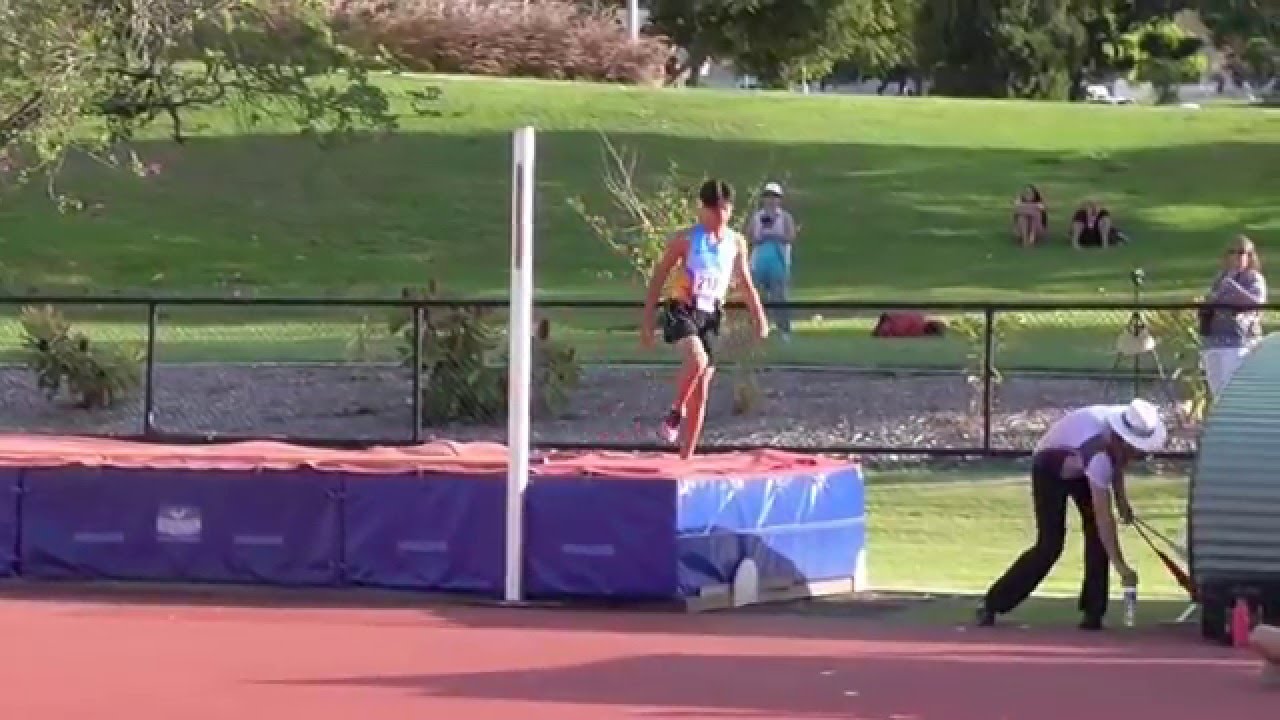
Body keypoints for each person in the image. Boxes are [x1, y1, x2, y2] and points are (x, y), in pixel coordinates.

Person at [976, 398, 1168, 630]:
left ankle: (1093, 612)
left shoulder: (1129, 424)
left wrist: (1122, 500)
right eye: (1136, 450)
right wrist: (1121, 567)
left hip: (1080, 467)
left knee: (1096, 539)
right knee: (1050, 545)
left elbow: (1117, 462)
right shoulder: (1097, 452)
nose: (1138, 457)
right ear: (1122, 439)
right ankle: (992, 604)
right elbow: (1104, 519)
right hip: (1051, 468)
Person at [641, 179, 768, 459]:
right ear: (703, 210)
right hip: (682, 308)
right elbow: (659, 276)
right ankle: (676, 411)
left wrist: (759, 315)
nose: (719, 216)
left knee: (702, 390)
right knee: (696, 360)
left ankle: (685, 457)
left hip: (711, 314)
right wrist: (648, 320)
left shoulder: (736, 243)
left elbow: (745, 282)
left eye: (724, 210)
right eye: (714, 210)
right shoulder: (686, 240)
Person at [1200, 235, 1266, 398]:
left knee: (1233, 392)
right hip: (1213, 341)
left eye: (1242, 252)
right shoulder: (1221, 277)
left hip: (1238, 341)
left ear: (1250, 255)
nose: (1237, 256)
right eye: (1233, 252)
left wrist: (1234, 288)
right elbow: (1211, 299)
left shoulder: (1253, 278)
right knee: (1217, 393)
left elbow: (1257, 303)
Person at [746, 182, 798, 341]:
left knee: (779, 296)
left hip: (779, 261)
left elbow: (790, 237)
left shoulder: (785, 217)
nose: (771, 200)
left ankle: (784, 331)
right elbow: (749, 236)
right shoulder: (757, 217)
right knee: (757, 296)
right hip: (759, 261)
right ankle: (758, 329)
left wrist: (775, 237)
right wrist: (760, 238)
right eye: (768, 196)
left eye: (774, 196)